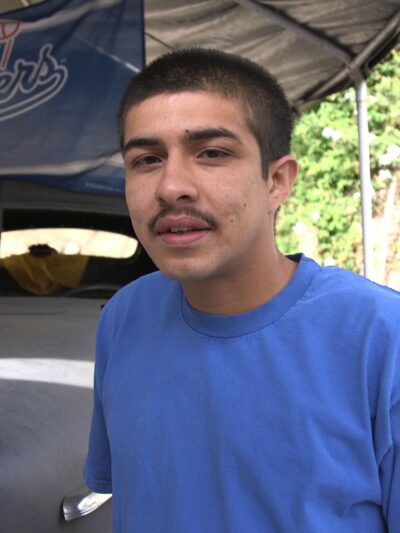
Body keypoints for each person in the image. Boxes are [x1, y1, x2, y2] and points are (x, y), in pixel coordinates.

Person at [83, 48, 399, 532]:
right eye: (146, 159)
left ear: (277, 180)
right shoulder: (125, 316)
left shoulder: (380, 337)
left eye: (212, 153)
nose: (171, 187)